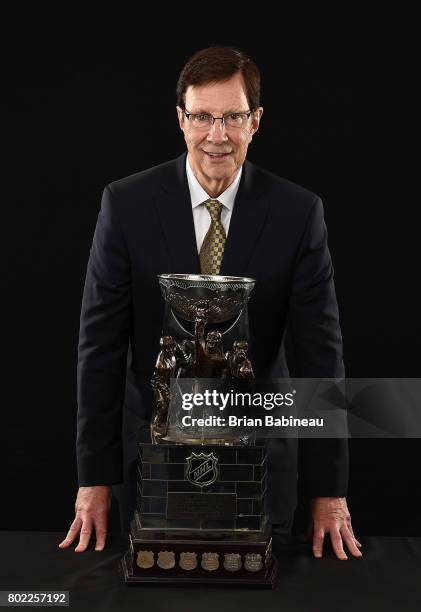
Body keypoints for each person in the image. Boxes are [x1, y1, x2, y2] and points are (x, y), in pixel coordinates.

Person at [59, 46, 362, 561]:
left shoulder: (298, 212)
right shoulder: (127, 204)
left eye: (232, 118)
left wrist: (328, 490)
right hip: (152, 466)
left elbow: (321, 356)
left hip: (263, 468)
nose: (216, 135)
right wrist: (96, 477)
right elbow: (101, 350)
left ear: (255, 121)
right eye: (202, 116)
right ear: (182, 119)